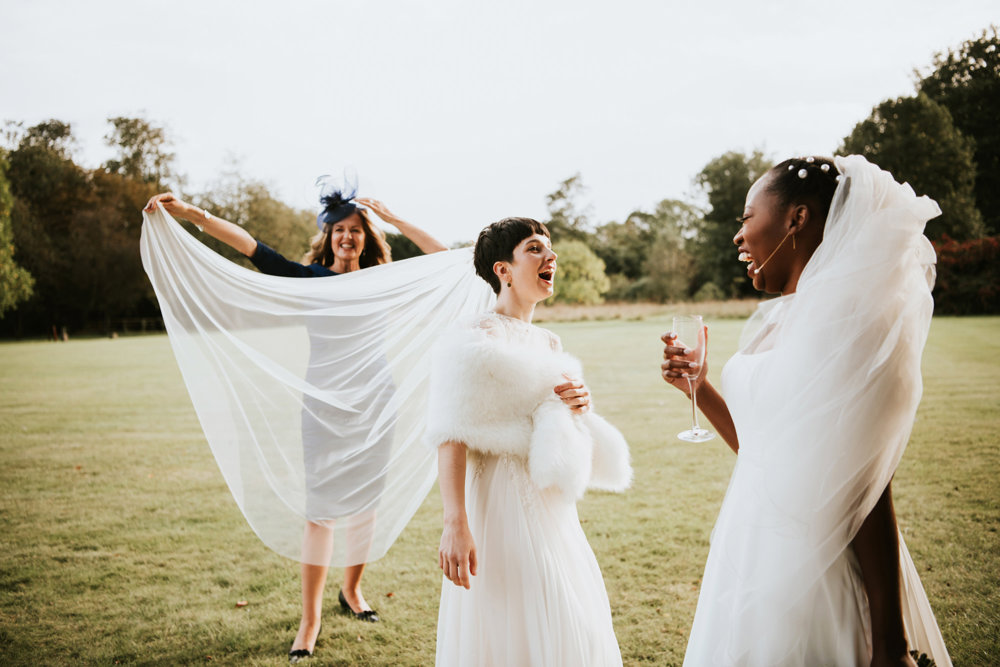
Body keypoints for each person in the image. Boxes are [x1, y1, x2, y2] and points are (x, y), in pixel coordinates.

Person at [661, 155, 952, 666]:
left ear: (796, 219)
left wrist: (889, 642)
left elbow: (865, 481)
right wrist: (699, 389)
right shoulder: (781, 319)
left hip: (818, 567)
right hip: (751, 552)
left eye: (747, 218)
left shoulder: (844, 325)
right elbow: (763, 450)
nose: (738, 237)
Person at [144, 182, 448, 663]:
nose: (347, 237)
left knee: (366, 504)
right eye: (339, 230)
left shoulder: (383, 280)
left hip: (375, 405)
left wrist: (394, 217)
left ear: (367, 238)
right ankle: (310, 620)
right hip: (323, 406)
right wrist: (191, 214)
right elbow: (249, 246)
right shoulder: (306, 277)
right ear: (327, 236)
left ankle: (352, 591)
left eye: (356, 230)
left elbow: (444, 258)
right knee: (321, 512)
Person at [427, 217, 633, 666]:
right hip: (497, 501)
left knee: (567, 613)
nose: (551, 257)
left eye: (549, 249)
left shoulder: (551, 342)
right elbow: (450, 435)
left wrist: (579, 405)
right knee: (510, 615)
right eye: (536, 249)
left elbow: (550, 417)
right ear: (503, 269)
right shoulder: (475, 335)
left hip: (550, 505)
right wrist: (454, 522)